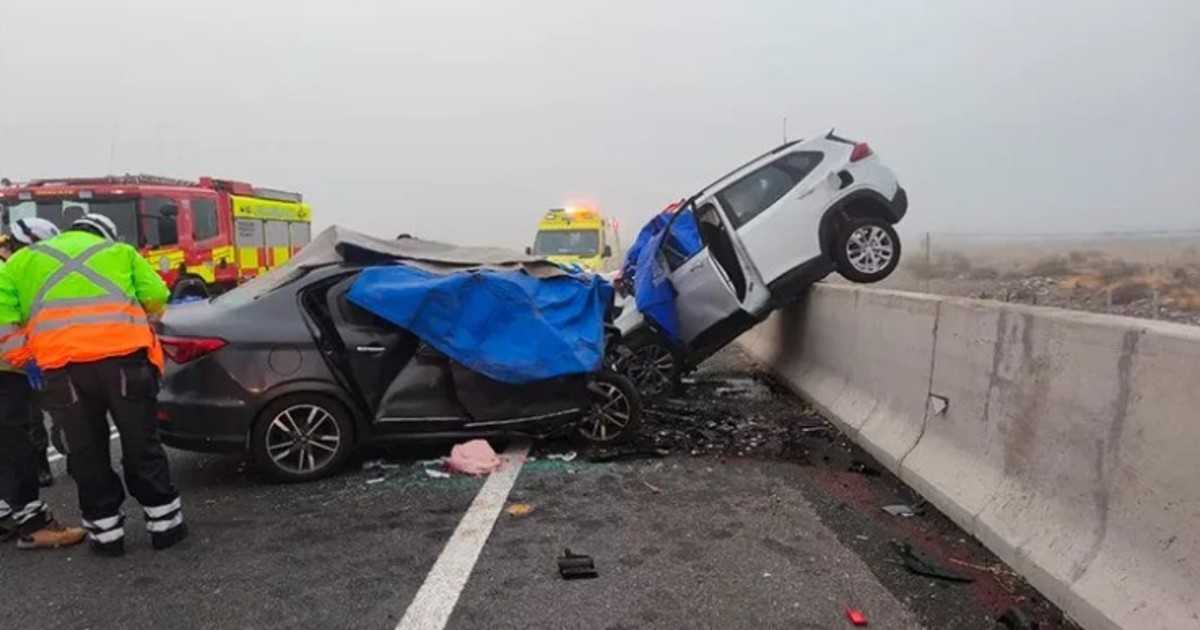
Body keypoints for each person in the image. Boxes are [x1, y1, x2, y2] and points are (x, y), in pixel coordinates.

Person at [0, 213, 186, 557]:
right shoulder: (121, 252)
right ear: (105, 233)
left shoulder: (19, 263)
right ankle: (165, 526)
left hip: (62, 370)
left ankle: (106, 535)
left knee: (85, 449)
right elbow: (156, 296)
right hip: (125, 363)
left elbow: (4, 319)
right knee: (140, 440)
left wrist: (26, 359)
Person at [0, 219, 85, 549]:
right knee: (15, 445)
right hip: (7, 372)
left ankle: (7, 513)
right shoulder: (9, 272)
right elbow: (7, 328)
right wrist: (28, 360)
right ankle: (34, 525)